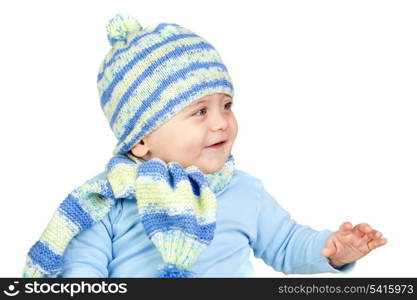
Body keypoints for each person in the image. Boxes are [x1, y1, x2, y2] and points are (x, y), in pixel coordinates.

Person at [23, 13, 387, 278]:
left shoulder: (245, 192)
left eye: (226, 106)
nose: (220, 122)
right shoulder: (108, 202)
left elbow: (288, 245)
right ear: (141, 140)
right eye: (199, 111)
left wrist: (334, 251)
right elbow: (81, 272)